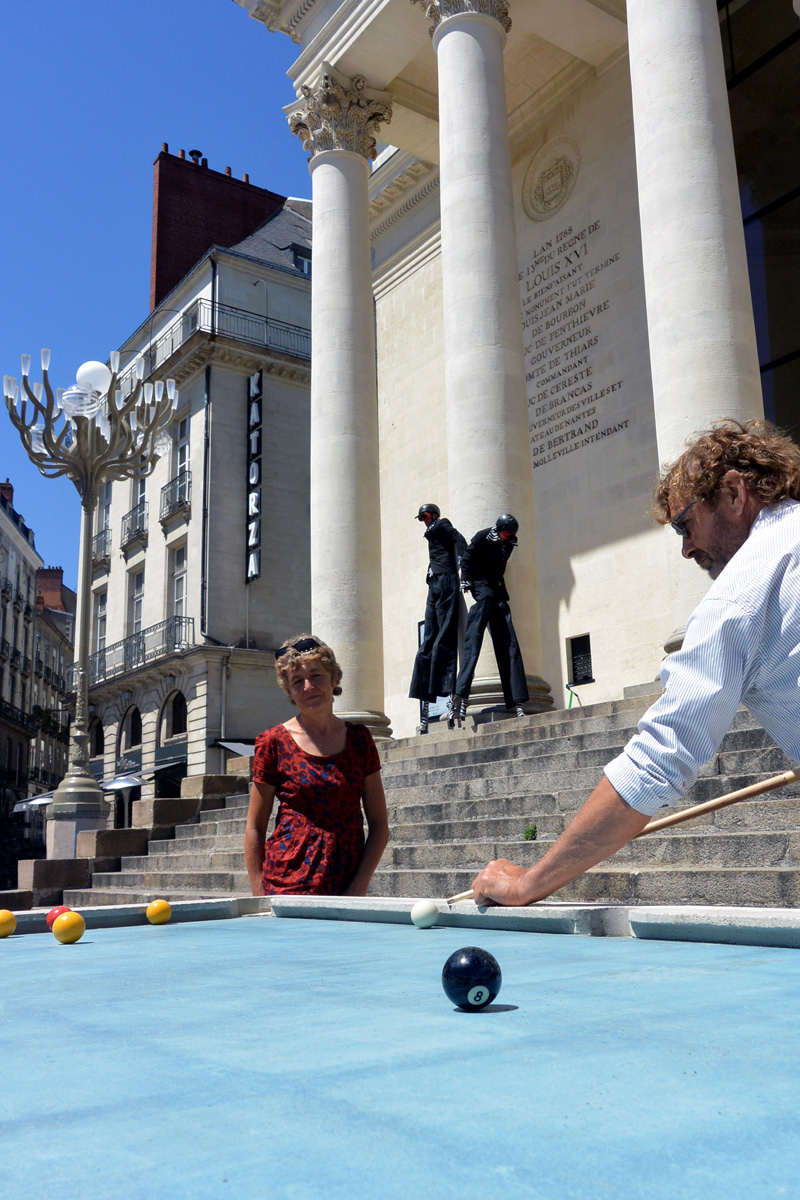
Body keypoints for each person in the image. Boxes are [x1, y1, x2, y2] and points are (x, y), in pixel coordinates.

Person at [471, 419, 800, 906]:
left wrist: (528, 884)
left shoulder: (741, 595)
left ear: (733, 493)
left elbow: (657, 760)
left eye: (685, 524)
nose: (686, 548)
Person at [244, 634, 390, 896]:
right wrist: (259, 894)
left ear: (333, 679)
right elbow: (255, 827)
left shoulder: (360, 739)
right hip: (287, 883)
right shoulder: (273, 742)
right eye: (297, 682)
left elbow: (379, 825)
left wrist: (359, 886)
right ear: (289, 691)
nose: (309, 687)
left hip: (347, 881)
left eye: (316, 676)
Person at [453, 514, 529, 720]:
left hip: (496, 587)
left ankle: (517, 699)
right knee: (481, 613)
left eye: (511, 534)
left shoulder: (509, 543)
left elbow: (500, 565)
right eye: (506, 532)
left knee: (509, 640)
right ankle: (461, 693)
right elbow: (467, 557)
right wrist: (465, 580)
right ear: (499, 528)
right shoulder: (483, 536)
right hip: (480, 584)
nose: (508, 537)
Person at [408, 503, 467, 732]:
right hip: (434, 585)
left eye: (425, 516)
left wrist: (464, 564)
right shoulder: (431, 531)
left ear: (433, 515)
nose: (423, 521)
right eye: (421, 517)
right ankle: (425, 709)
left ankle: (451, 701)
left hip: (446, 583)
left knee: (444, 639)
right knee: (427, 646)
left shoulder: (442, 524)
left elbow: (459, 540)